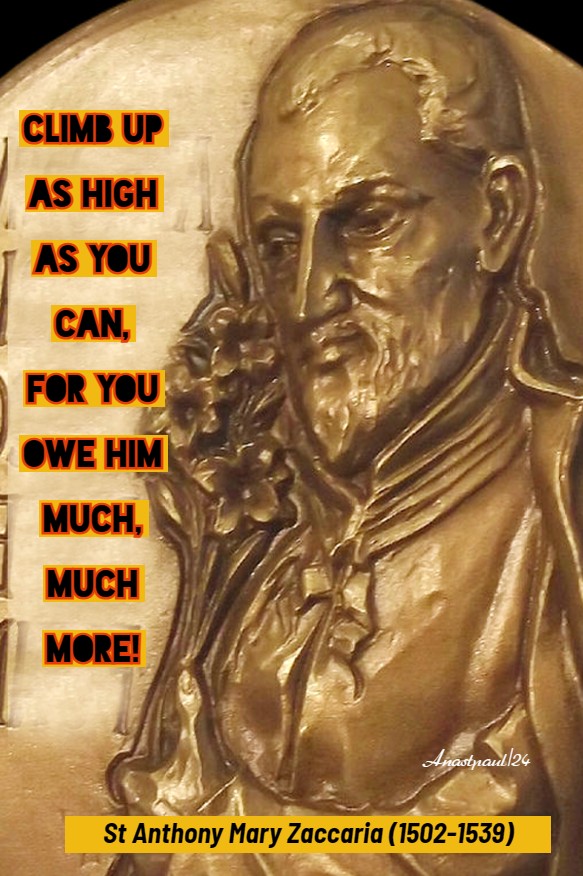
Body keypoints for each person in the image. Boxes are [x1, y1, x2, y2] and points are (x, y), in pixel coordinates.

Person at [108, 2, 583, 874]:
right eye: (277, 243)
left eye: (366, 222)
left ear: (498, 215)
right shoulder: (260, 538)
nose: (305, 299)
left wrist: (203, 844)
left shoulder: (562, 507)